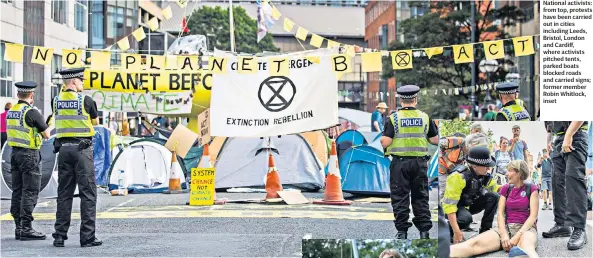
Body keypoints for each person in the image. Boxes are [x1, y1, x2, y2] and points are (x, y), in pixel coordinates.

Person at [51, 67, 102, 248]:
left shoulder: (55, 101)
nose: (83, 83)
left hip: (63, 150)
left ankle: (59, 236)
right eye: (81, 80)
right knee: (87, 194)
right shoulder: (86, 100)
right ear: (73, 81)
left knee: (64, 194)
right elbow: (95, 123)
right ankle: (87, 238)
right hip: (82, 150)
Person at [380, 85, 439, 239]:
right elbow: (434, 140)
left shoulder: (393, 118)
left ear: (401, 100)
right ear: (416, 99)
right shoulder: (425, 117)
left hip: (400, 164)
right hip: (420, 164)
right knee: (421, 197)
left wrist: (382, 139)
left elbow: (385, 142)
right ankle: (424, 232)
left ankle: (402, 232)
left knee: (400, 197)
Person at [450, 160, 540, 258]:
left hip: (526, 229)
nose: (506, 173)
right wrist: (504, 234)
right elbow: (500, 214)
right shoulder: (506, 188)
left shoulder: (532, 188)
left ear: (519, 173)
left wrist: (517, 236)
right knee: (473, 245)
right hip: (506, 228)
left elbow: (533, 216)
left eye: (510, 170)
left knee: (525, 248)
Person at [6, 81, 51, 241]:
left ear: (18, 95)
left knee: (17, 190)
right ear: (31, 95)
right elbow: (47, 135)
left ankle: (19, 227)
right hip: (29, 155)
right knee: (30, 191)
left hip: (14, 154)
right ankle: (26, 228)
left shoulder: (12, 111)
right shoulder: (31, 112)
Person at [543, 121, 589, 250]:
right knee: (557, 182)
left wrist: (569, 134)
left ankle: (579, 228)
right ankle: (562, 224)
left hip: (576, 133)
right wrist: (549, 140)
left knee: (573, 179)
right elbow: (548, 126)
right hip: (558, 139)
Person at [442, 146, 500, 243]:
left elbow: (495, 188)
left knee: (494, 196)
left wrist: (513, 186)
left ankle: (485, 230)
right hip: (453, 209)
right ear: (475, 166)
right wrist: (457, 231)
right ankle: (448, 230)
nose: (489, 168)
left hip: (469, 204)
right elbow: (449, 206)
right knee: (465, 219)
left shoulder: (482, 175)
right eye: (486, 165)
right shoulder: (457, 177)